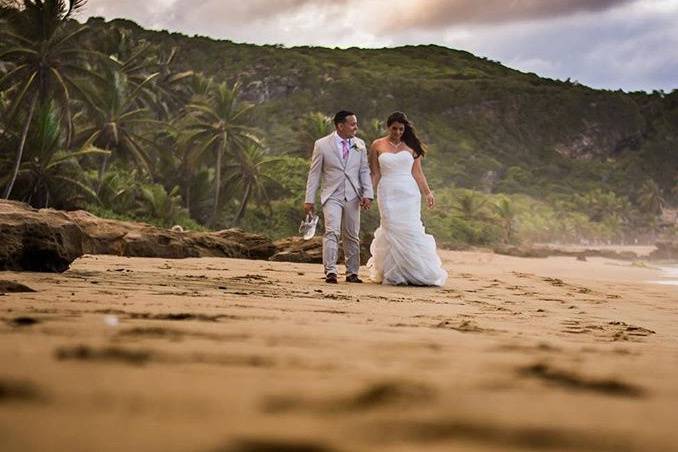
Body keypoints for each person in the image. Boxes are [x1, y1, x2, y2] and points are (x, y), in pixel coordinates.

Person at [366, 111, 447, 286]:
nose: (397, 132)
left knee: (411, 228)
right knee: (391, 227)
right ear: (388, 127)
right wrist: (368, 193)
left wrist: (427, 192)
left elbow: (417, 172)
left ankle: (414, 270)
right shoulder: (377, 145)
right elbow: (375, 173)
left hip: (408, 193)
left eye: (401, 129)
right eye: (394, 129)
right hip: (387, 191)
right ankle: (393, 272)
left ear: (405, 129)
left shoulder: (411, 146)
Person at [304, 110, 374, 284]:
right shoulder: (322, 144)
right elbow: (314, 174)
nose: (356, 127)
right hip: (331, 195)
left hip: (353, 195)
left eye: (356, 123)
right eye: (352, 124)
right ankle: (331, 271)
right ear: (340, 126)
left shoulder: (360, 144)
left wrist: (368, 194)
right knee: (332, 232)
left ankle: (352, 273)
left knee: (352, 235)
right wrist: (309, 199)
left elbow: (364, 171)